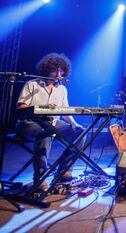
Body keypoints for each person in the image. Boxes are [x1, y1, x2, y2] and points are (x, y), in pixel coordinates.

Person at [16, 53, 85, 191]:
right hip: (29, 124)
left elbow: (64, 111)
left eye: (61, 71)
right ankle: (39, 178)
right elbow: (21, 107)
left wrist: (74, 123)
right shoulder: (32, 84)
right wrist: (41, 109)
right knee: (46, 132)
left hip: (53, 122)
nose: (59, 73)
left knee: (81, 132)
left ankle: (64, 172)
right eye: (55, 70)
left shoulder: (62, 89)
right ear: (47, 70)